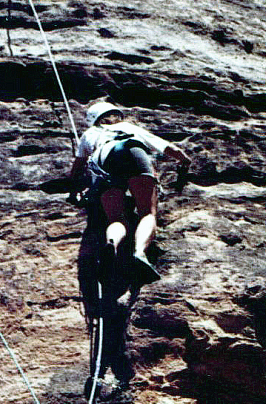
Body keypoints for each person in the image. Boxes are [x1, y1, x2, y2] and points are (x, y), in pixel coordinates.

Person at [70, 99, 190, 284]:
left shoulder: (88, 134)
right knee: (147, 213)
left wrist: (74, 187)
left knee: (116, 218)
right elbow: (168, 148)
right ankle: (140, 253)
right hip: (130, 148)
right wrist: (184, 160)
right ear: (115, 115)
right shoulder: (127, 127)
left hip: (103, 158)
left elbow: (78, 166)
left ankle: (112, 243)